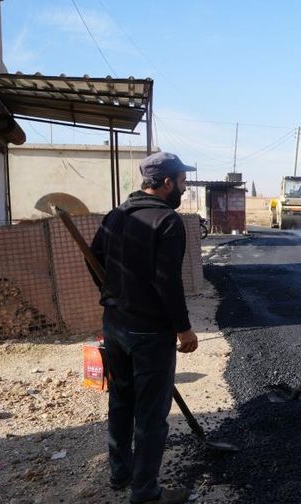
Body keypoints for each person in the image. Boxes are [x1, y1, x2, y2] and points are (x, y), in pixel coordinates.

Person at [89, 152, 198, 504]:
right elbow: (168, 282)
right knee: (151, 414)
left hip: (115, 324)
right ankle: (146, 492)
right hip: (151, 332)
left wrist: (114, 291)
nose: (184, 186)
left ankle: (120, 473)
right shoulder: (167, 221)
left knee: (121, 401)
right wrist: (183, 329)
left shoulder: (115, 216)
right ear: (167, 182)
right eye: (182, 180)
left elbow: (93, 259)